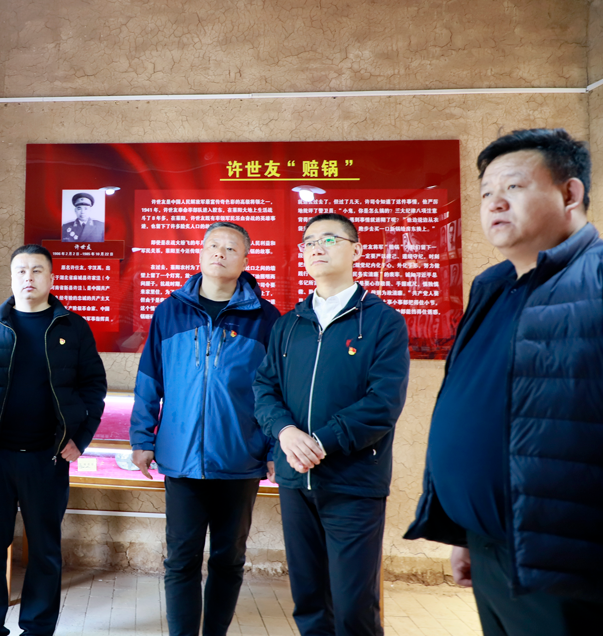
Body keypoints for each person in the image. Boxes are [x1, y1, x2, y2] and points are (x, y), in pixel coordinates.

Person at [405, 129, 602, 635]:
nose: (494, 202)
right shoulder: (492, 287)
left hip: (566, 565)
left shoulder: (595, 285)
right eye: (486, 192)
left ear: (570, 193)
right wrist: (463, 531)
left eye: (513, 187)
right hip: (490, 548)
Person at [254, 212, 409, 636]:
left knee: (353, 605)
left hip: (352, 482)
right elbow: (264, 388)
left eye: (328, 239)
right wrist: (286, 432)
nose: (315, 248)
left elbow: (382, 403)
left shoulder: (382, 322)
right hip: (295, 480)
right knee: (309, 602)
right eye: (308, 242)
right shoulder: (289, 324)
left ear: (356, 250)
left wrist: (320, 442)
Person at [129, 221, 280, 636]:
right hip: (181, 460)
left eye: (230, 248)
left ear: (245, 259)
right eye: (213, 245)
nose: (220, 253)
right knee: (181, 559)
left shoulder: (266, 318)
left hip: (240, 458)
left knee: (228, 559)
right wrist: (142, 438)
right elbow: (149, 380)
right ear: (200, 253)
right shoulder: (170, 311)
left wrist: (272, 450)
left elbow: (276, 390)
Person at [0, 244, 107, 636]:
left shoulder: (72, 327)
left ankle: (37, 628)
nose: (28, 277)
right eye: (20, 271)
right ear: (12, 277)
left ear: (51, 277)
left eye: (36, 270)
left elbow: (93, 387)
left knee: (45, 550)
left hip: (48, 458)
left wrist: (81, 439)